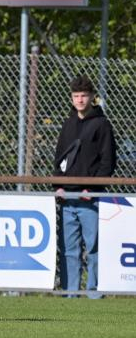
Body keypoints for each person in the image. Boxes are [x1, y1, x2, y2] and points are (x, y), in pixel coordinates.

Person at [54, 75, 116, 299]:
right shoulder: (68, 124)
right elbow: (59, 157)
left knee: (93, 248)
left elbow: (108, 161)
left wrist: (93, 188)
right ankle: (70, 293)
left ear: (92, 97)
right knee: (69, 249)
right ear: (71, 98)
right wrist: (57, 185)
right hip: (67, 196)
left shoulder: (102, 124)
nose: (80, 100)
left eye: (84, 96)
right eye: (76, 96)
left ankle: (94, 293)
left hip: (91, 198)